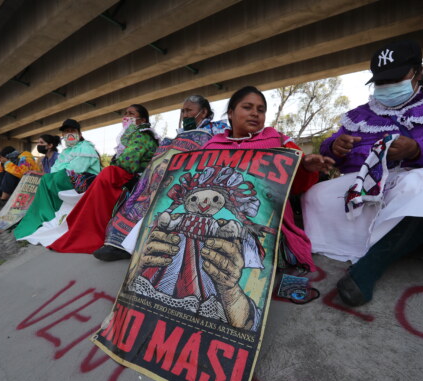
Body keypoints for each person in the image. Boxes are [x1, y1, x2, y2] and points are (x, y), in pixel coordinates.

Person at [130, 86, 333, 329]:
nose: (255, 114)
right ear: (230, 113)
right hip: (208, 226)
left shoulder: (279, 142)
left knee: (247, 257)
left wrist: (306, 166)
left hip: (263, 219)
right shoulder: (211, 145)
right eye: (247, 107)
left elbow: (296, 184)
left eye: (261, 110)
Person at [302, 40, 423, 307]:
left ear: (417, 73)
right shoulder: (361, 114)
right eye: (382, 81)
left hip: (415, 183)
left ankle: (372, 265)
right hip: (371, 182)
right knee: (317, 195)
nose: (387, 87)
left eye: (396, 78)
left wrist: (418, 150)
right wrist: (335, 148)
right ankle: (356, 246)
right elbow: (337, 148)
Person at [93, 95, 229, 261]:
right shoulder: (181, 133)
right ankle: (119, 244)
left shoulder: (217, 130)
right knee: (142, 195)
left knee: (164, 198)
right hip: (168, 176)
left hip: (195, 180)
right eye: (183, 111)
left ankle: (138, 246)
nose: (185, 115)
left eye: (189, 110)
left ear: (203, 112)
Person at [45, 105, 159, 252]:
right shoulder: (131, 136)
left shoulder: (142, 135)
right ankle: (82, 227)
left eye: (131, 113)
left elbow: (127, 163)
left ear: (142, 119)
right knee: (105, 175)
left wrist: (113, 165)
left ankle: (93, 231)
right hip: (128, 174)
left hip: (140, 178)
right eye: (125, 113)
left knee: (108, 175)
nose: (126, 116)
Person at [14, 119, 101, 239]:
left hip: (87, 182)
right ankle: (43, 216)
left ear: (79, 134)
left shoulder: (86, 148)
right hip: (69, 179)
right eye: (66, 131)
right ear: (63, 136)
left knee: (57, 177)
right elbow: (55, 169)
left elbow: (76, 169)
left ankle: (51, 214)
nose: (69, 134)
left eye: (72, 130)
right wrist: (63, 169)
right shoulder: (66, 152)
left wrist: (63, 169)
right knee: (47, 179)